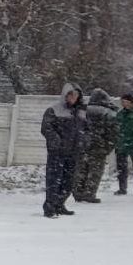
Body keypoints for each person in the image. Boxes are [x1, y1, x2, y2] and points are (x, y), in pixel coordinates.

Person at [41, 83, 86, 218]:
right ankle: (50, 207)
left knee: (69, 181)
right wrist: (57, 143)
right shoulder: (54, 110)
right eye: (71, 95)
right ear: (65, 95)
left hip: (74, 153)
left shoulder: (81, 112)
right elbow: (46, 128)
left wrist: (84, 142)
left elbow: (87, 130)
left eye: (76, 95)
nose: (74, 97)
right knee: (54, 180)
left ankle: (60, 204)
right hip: (57, 153)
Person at [73, 88, 118, 203]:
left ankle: (78, 192)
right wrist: (108, 147)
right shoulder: (109, 113)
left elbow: (75, 128)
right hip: (99, 146)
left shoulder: (81, 111)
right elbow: (114, 133)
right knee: (95, 172)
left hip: (82, 145)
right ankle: (89, 193)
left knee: (81, 170)